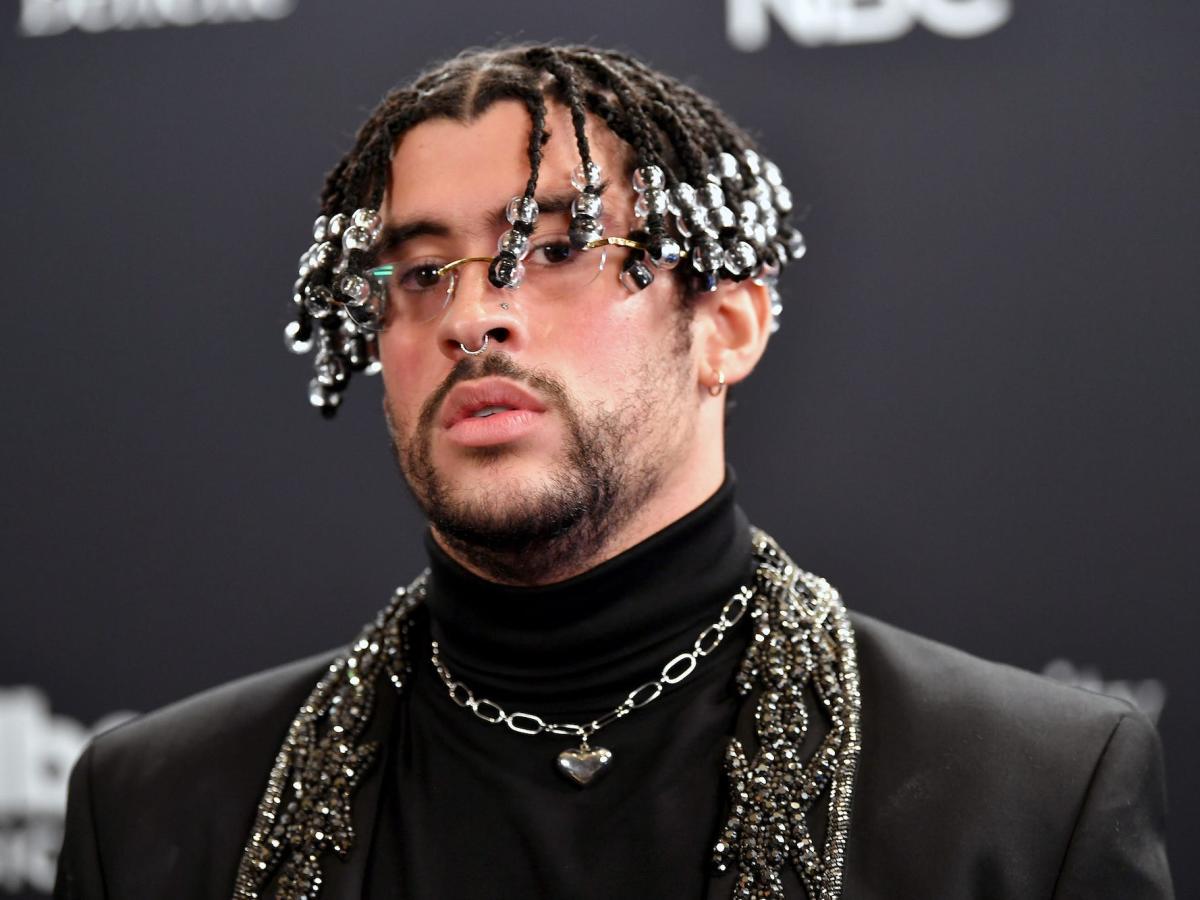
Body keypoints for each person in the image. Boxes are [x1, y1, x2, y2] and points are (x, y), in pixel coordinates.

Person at [55, 44, 1172, 900]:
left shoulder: (1030, 798)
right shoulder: (161, 809)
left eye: (550, 249)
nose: (474, 315)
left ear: (725, 329)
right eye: (419, 269)